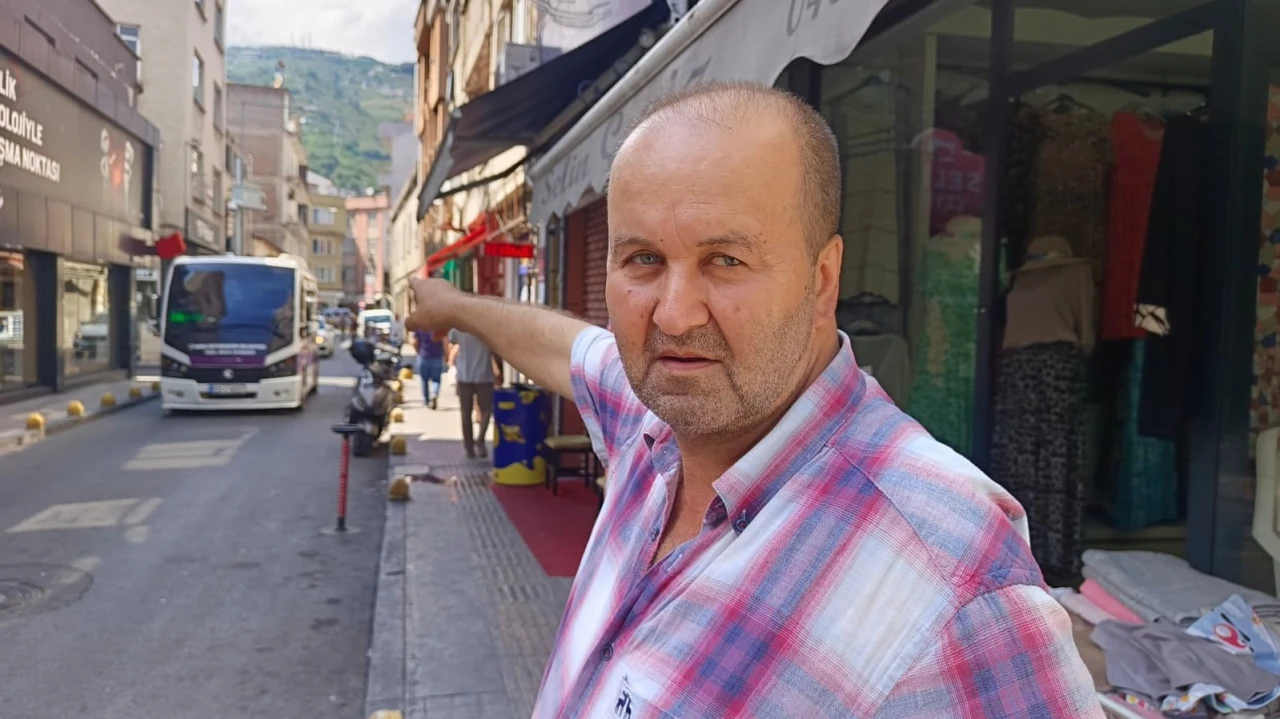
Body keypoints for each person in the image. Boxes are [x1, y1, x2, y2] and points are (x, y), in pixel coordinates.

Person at [408, 81, 1100, 717]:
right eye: (644, 259)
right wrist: (453, 305)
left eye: (726, 260)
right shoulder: (655, 419)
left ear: (822, 280)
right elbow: (566, 348)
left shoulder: (957, 587)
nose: (674, 314)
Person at [447, 328, 499, 459]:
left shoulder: (458, 327)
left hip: (464, 374)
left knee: (466, 413)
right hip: (484, 375)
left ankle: (469, 447)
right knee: (487, 410)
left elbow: (451, 340)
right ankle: (480, 440)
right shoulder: (487, 326)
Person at [413, 329, 445, 409]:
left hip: (423, 356)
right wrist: (446, 354)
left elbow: (414, 342)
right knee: (436, 379)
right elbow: (445, 340)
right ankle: (434, 393)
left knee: (424, 380)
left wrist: (418, 352)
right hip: (437, 356)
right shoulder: (439, 326)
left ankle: (426, 401)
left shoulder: (420, 327)